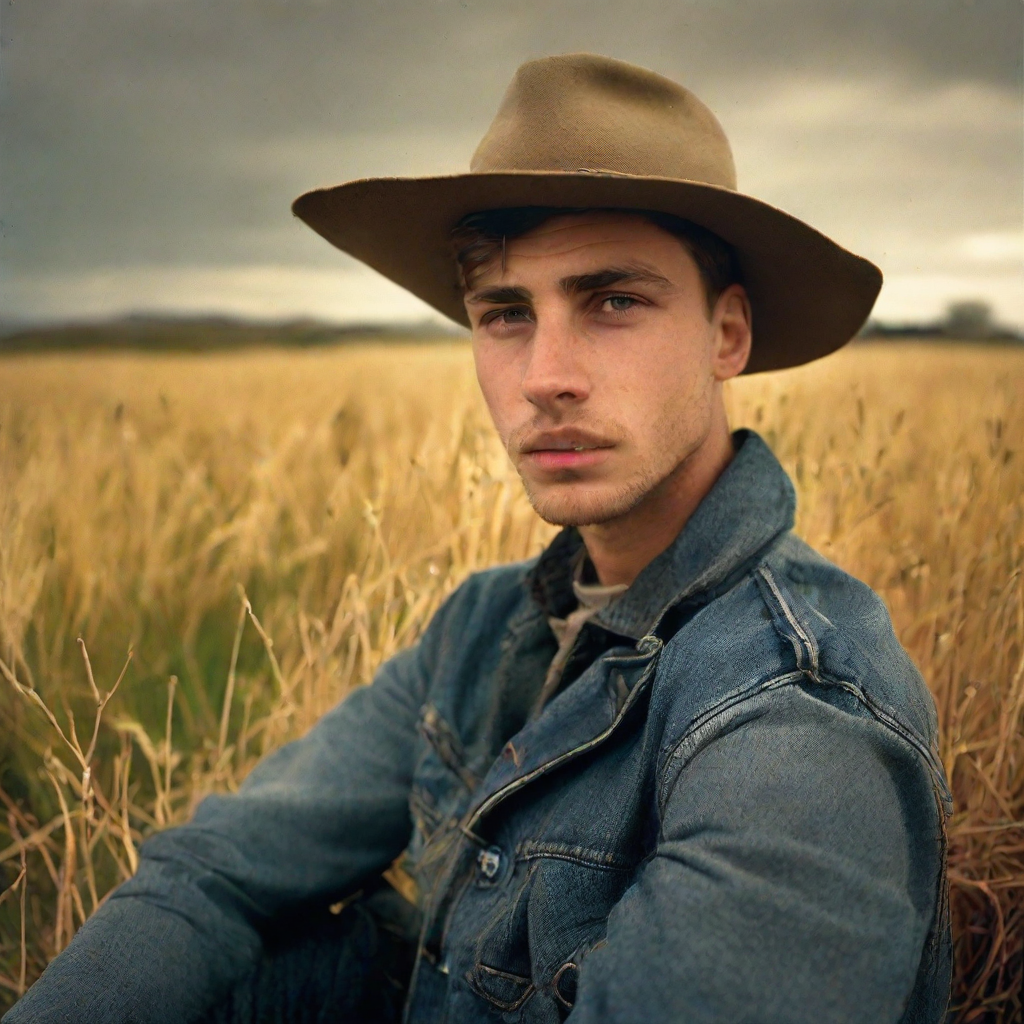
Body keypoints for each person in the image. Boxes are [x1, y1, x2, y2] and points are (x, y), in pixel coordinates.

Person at [5, 53, 951, 1024]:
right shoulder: (483, 626)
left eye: (613, 301)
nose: (545, 375)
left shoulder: (797, 715)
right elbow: (216, 869)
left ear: (727, 334)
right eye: (504, 312)